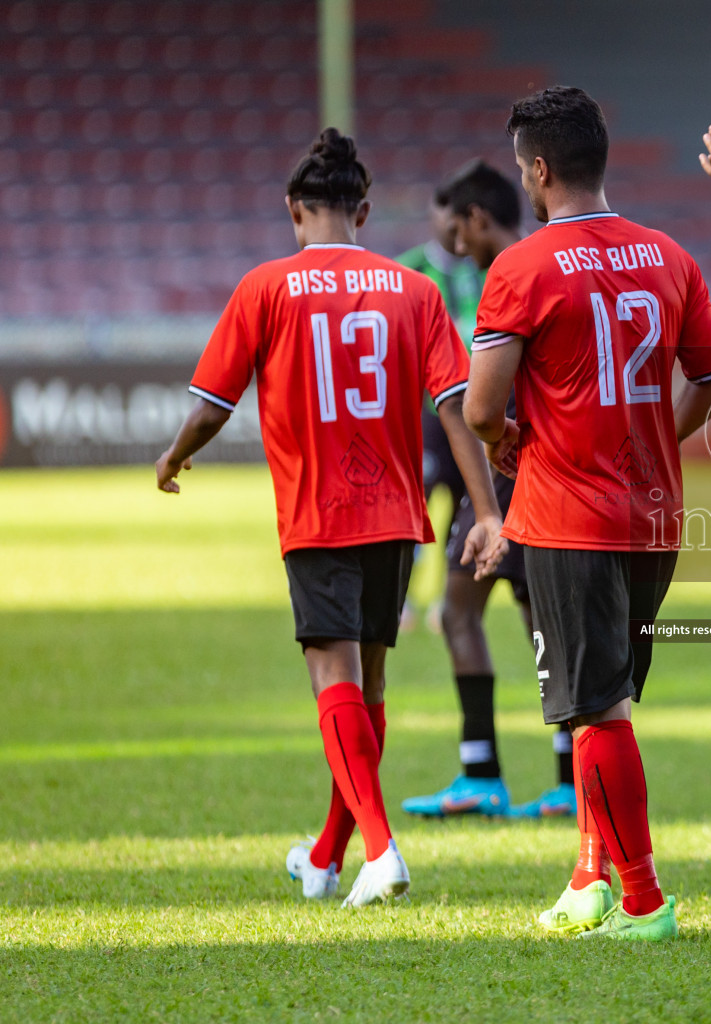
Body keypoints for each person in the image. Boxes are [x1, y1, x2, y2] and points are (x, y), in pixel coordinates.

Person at [154, 129, 506, 905]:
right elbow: (458, 405)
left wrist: (175, 454)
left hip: (318, 512)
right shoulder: (413, 291)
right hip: (395, 511)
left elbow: (213, 404)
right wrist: (485, 511)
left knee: (331, 675)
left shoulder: (264, 288)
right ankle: (323, 857)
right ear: (365, 211)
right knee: (369, 682)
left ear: (294, 210)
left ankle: (380, 851)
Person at [465, 86, 711, 940]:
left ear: (539, 170)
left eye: (521, 167)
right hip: (654, 515)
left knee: (596, 709)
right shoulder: (667, 255)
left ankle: (645, 902)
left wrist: (510, 442)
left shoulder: (523, 267)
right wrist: (662, 430)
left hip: (567, 515)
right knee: (603, 701)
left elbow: (479, 409)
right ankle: (588, 879)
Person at [400, 160, 580, 821]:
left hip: (518, 476)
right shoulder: (550, 264)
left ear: (477, 219)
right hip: (517, 477)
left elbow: (484, 401)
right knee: (473, 614)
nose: (456, 248)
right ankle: (503, 774)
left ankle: (535, 777)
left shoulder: (516, 272)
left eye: (459, 233)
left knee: (519, 621)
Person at [396, 179, 485, 634]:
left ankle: (447, 601)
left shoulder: (488, 269)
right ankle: (404, 599)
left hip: (476, 418)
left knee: (463, 513)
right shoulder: (406, 271)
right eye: (443, 211)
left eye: (460, 213)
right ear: (431, 214)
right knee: (417, 512)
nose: (452, 223)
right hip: (427, 419)